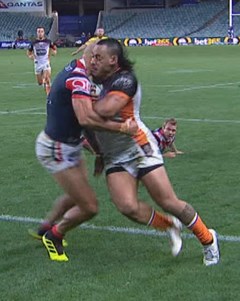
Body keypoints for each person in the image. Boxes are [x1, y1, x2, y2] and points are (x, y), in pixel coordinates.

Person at [89, 38, 220, 266]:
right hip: (114, 155)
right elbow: (87, 126)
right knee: (127, 207)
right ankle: (169, 225)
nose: (93, 61)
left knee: (169, 201)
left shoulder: (126, 80)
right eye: (92, 57)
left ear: (113, 60)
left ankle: (208, 240)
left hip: (139, 146)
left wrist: (84, 107)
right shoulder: (88, 81)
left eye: (98, 57)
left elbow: (103, 111)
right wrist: (99, 152)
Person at [34, 42, 139, 262]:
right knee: (90, 207)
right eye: (95, 58)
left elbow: (84, 125)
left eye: (99, 59)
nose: (97, 63)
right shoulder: (79, 79)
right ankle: (54, 236)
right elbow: (87, 119)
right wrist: (122, 128)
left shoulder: (77, 70)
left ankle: (45, 227)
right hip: (57, 148)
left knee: (76, 197)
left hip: (67, 145)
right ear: (88, 56)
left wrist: (99, 152)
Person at [27, 26, 56, 94]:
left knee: (47, 79)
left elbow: (54, 49)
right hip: (37, 64)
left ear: (44, 33)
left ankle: (49, 95)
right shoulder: (33, 42)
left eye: (41, 31)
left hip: (46, 62)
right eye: (38, 32)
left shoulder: (48, 41)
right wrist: (31, 56)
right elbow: (29, 52)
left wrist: (53, 52)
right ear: (37, 33)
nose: (40, 33)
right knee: (40, 83)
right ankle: (44, 83)